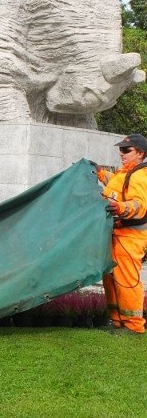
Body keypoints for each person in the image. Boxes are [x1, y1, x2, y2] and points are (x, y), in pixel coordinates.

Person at [96, 133, 147, 335]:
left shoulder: (141, 176)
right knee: (110, 278)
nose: (121, 153)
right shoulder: (126, 172)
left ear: (141, 153)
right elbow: (115, 184)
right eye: (120, 149)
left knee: (126, 280)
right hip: (116, 234)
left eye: (127, 150)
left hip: (130, 236)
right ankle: (117, 321)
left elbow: (139, 205)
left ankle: (134, 325)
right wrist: (99, 173)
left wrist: (120, 208)